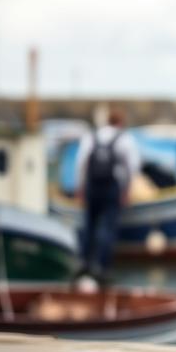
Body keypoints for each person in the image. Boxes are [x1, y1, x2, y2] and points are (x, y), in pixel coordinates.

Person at [74, 107, 141, 286]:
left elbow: (81, 163)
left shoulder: (91, 136)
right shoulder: (124, 139)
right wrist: (127, 191)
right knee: (108, 228)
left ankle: (84, 263)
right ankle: (102, 267)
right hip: (112, 187)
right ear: (120, 123)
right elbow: (132, 167)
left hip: (92, 187)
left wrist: (80, 188)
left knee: (89, 225)